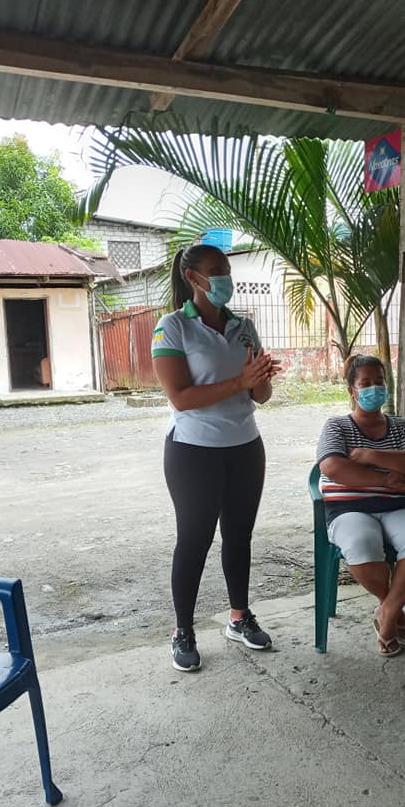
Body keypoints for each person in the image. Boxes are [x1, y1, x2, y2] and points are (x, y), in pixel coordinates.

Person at [151, 244, 281, 671]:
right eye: (216, 270)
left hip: (245, 446)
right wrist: (240, 380)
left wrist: (260, 378)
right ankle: (183, 630)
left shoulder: (244, 326)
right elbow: (181, 397)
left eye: (227, 269)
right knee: (195, 540)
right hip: (193, 451)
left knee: (239, 536)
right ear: (193, 278)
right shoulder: (173, 327)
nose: (226, 277)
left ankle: (239, 618)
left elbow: (260, 396)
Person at [315, 354, 405, 657]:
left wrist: (369, 455)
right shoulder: (336, 426)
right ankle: (393, 610)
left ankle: (387, 613)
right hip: (349, 509)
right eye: (365, 383)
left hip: (398, 507)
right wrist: (383, 479)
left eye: (379, 381)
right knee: (360, 543)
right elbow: (332, 466)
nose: (374, 388)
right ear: (352, 391)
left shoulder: (401, 426)